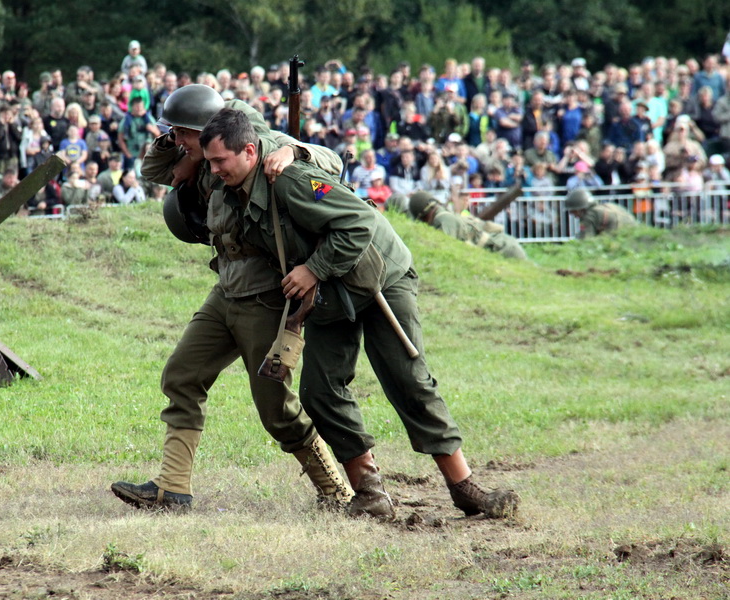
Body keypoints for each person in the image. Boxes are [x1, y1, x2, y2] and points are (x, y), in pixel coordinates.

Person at [199, 107, 521, 520]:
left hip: (380, 277)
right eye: (209, 162)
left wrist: (312, 269)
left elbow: (358, 223)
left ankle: (465, 488)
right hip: (330, 294)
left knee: (408, 381)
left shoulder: (292, 180)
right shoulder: (234, 192)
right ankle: (370, 494)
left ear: (247, 151)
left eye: (220, 161)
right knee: (320, 392)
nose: (214, 170)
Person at [111, 84, 352, 511]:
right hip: (226, 288)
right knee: (182, 375)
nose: (180, 144)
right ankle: (172, 489)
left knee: (276, 412)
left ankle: (337, 490)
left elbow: (331, 161)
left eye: (182, 134)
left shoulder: (257, 144)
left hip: (266, 297)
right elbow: (154, 170)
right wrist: (182, 151)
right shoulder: (202, 156)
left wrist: (294, 153)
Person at [405, 191, 527, 259]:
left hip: (504, 249)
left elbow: (444, 252)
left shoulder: (444, 220)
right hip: (504, 246)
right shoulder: (445, 216)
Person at [564, 188, 636, 239]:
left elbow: (586, 240)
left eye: (573, 211)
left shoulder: (590, 215)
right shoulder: (610, 206)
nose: (573, 215)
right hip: (633, 235)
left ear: (580, 209)